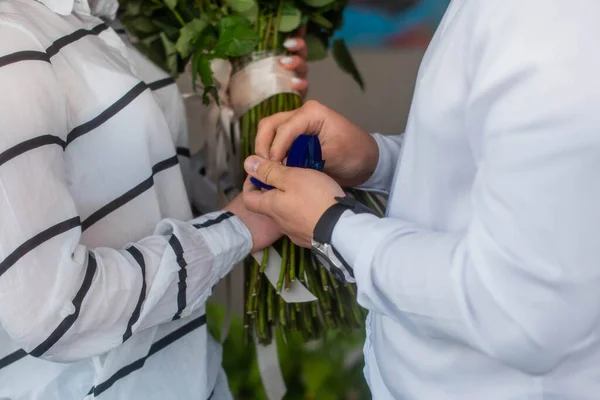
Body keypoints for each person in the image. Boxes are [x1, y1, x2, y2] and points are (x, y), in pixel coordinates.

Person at [242, 0, 600, 398]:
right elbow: (517, 174)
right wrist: (377, 160)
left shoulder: (546, 20)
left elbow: (519, 312)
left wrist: (333, 227)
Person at [0, 0, 307, 398]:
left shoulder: (95, 15)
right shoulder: (11, 39)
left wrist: (263, 105)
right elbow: (54, 312)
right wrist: (235, 229)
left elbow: (152, 202)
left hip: (188, 376)